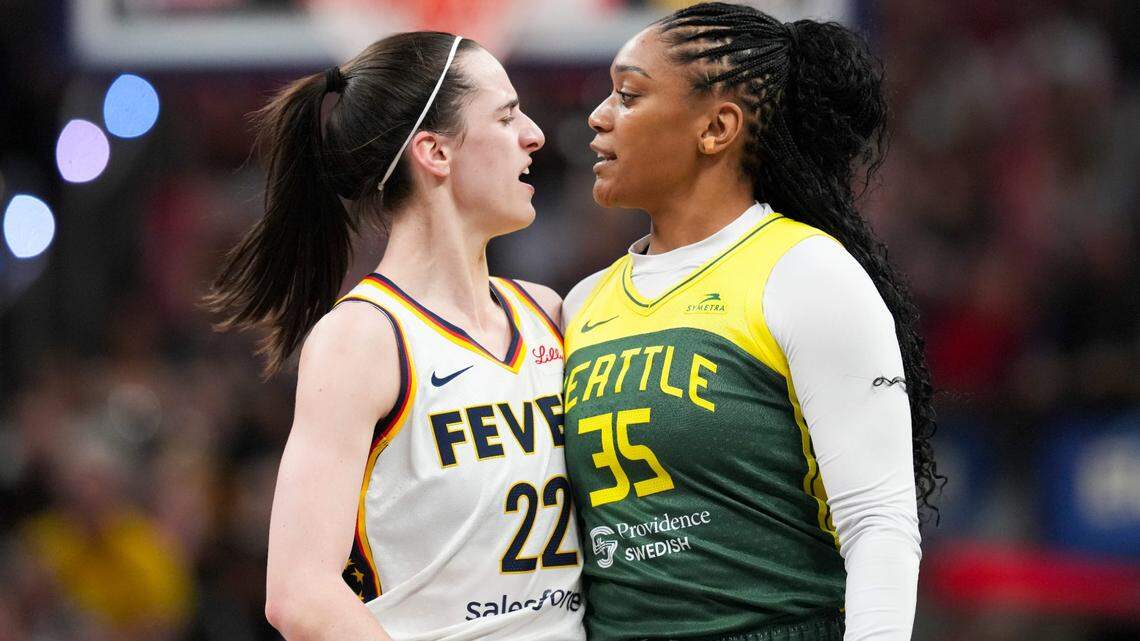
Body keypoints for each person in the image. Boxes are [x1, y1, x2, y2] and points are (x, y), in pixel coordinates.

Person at [561, 4, 938, 641]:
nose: (598, 116)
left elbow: (879, 523)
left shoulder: (806, 271)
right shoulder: (581, 304)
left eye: (628, 95)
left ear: (717, 128)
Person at [206, 31, 583, 641]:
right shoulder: (362, 339)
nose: (534, 134)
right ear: (434, 151)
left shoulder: (548, 312)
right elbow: (299, 594)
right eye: (507, 115)